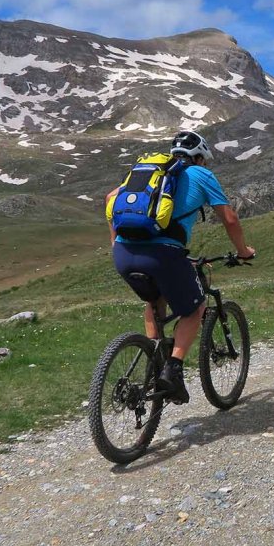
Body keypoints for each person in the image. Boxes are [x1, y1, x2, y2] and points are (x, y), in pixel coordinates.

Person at [107, 131, 255, 404]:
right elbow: (230, 219)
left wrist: (116, 242)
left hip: (124, 253)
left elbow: (110, 198)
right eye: (204, 160)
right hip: (164, 255)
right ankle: (172, 369)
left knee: (155, 299)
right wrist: (243, 251)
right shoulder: (201, 174)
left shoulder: (151, 172)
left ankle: (155, 362)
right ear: (199, 157)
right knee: (195, 308)